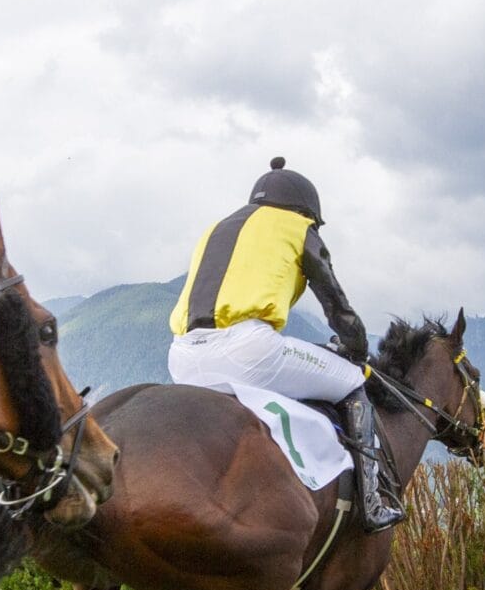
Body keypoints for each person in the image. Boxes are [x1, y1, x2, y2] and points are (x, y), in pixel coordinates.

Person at [167, 158, 404, 531]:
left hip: (182, 355)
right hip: (247, 350)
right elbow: (335, 302)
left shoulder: (216, 228)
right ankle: (373, 502)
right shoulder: (297, 225)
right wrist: (356, 350)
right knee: (352, 381)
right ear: (306, 211)